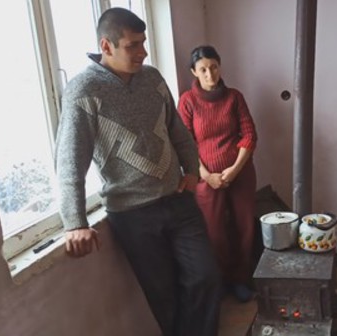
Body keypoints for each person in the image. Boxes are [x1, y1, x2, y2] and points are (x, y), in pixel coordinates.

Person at [55, 8, 220, 336]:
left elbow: (178, 131)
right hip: (133, 214)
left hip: (178, 199)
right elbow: (70, 159)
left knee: (206, 275)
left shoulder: (153, 78)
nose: (143, 52)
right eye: (133, 45)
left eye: (143, 42)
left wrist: (192, 171)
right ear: (106, 46)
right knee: (164, 296)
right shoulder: (83, 91)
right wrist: (75, 222)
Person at [177, 45, 258, 302]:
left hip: (240, 173)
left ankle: (241, 280)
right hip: (206, 177)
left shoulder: (234, 97)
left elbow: (249, 135)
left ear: (220, 66)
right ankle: (222, 281)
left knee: (244, 227)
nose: (210, 74)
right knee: (214, 231)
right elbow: (186, 142)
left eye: (213, 67)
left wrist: (233, 170)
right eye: (203, 69)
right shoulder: (187, 101)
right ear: (194, 72)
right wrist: (207, 175)